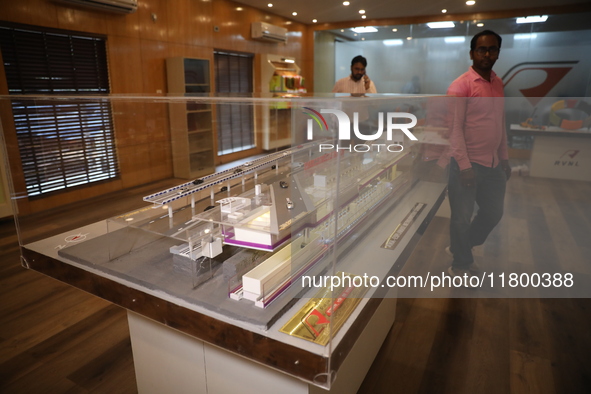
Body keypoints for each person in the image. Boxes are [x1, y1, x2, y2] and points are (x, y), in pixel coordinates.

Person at [446, 30, 511, 277]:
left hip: (493, 164)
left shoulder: (497, 83)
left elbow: (500, 123)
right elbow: (454, 130)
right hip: (466, 164)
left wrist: (504, 158)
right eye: (481, 49)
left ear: (497, 53)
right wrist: (464, 166)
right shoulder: (460, 86)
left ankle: (459, 247)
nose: (487, 54)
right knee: (461, 218)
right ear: (472, 53)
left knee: (494, 212)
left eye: (492, 49)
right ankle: (461, 263)